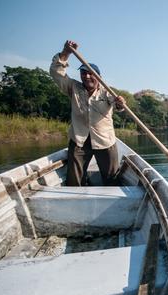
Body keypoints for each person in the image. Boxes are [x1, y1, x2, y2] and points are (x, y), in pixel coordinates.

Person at [49, 40, 126, 186]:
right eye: (83, 73)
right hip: (79, 140)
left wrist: (120, 103)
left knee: (112, 180)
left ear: (99, 77)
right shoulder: (74, 88)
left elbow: (117, 104)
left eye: (91, 74)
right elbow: (55, 73)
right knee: (74, 181)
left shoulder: (107, 91)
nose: (87, 76)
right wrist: (66, 53)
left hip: (104, 141)